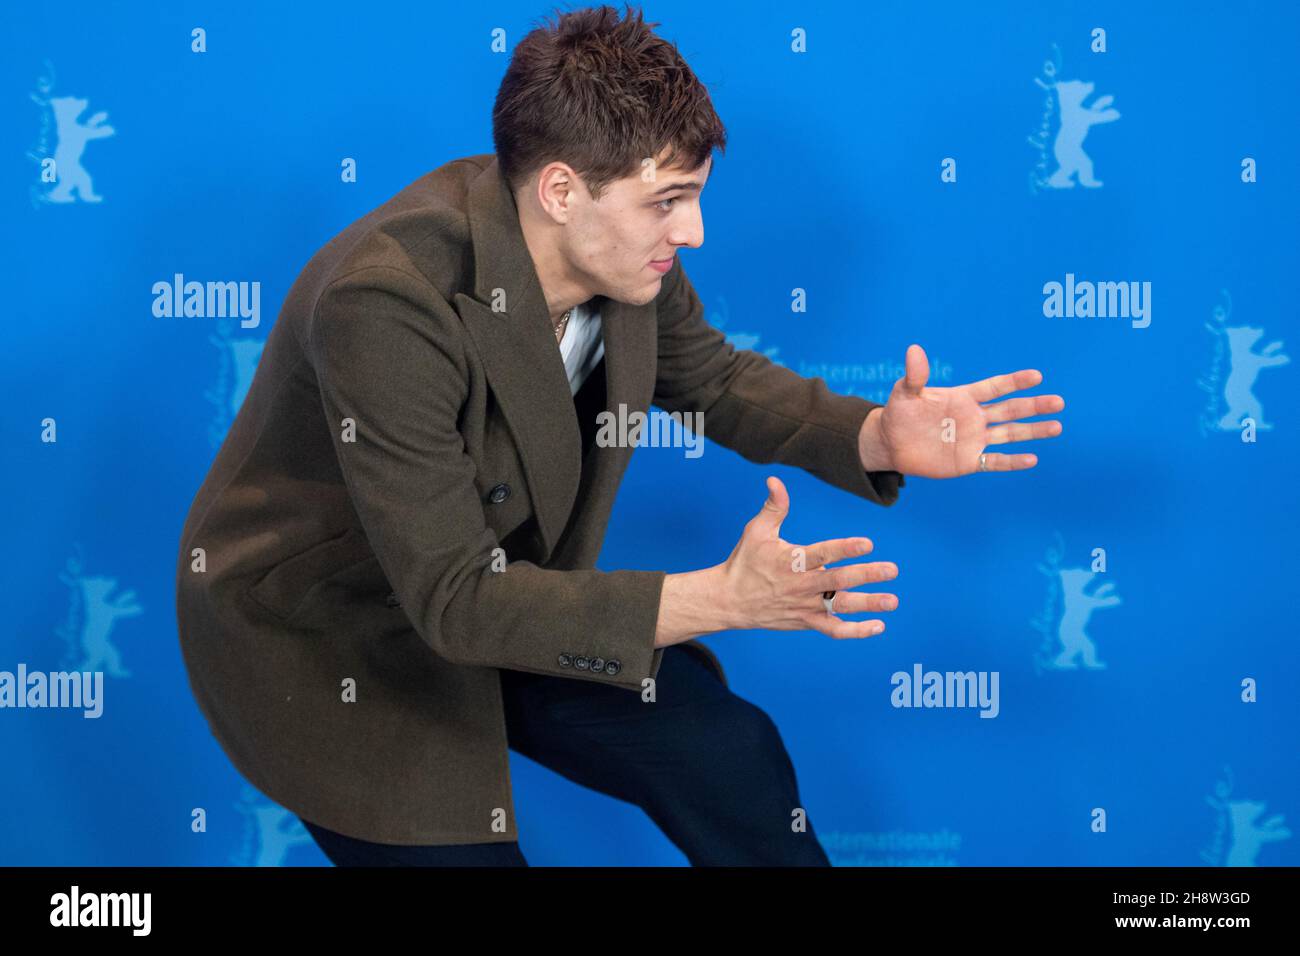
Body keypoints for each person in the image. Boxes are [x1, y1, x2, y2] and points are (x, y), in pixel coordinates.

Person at [175, 3, 1064, 866]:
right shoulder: (388, 301)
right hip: (347, 629)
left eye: (695, 197)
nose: (694, 231)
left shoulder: (626, 255)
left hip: (509, 589)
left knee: (730, 756)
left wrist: (873, 434)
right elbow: (451, 599)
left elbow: (712, 379)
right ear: (562, 190)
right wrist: (723, 597)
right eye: (668, 201)